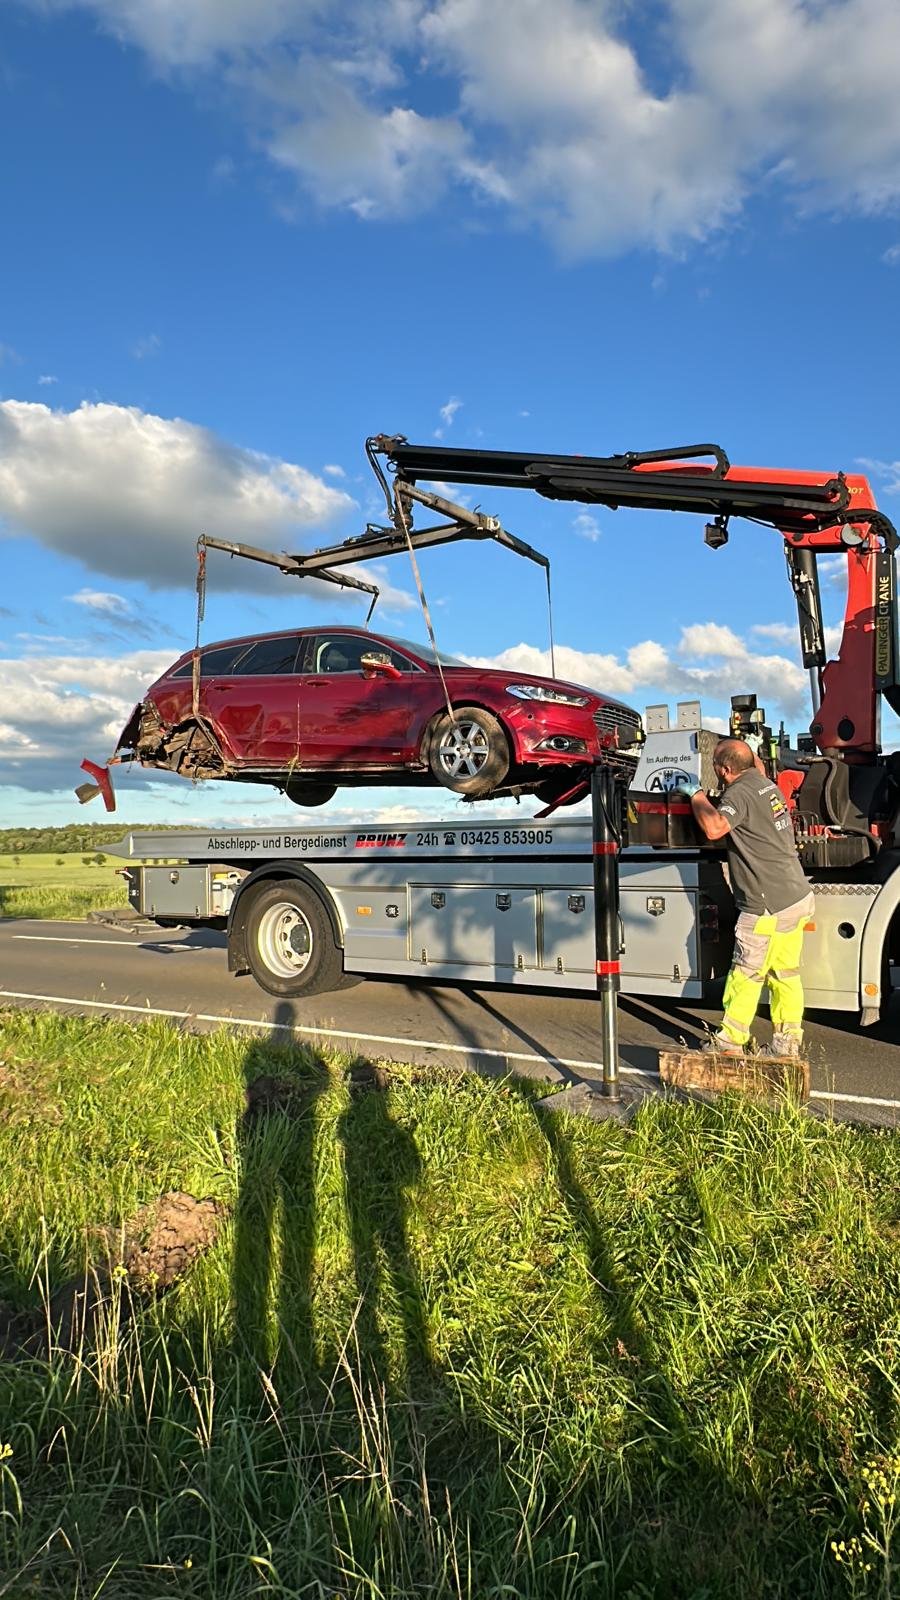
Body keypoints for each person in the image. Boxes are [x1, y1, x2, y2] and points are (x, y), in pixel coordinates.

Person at [678, 737, 815, 1057]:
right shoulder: (766, 784)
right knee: (784, 973)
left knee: (746, 972)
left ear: (725, 770)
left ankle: (729, 1041)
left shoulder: (739, 793)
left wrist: (696, 794)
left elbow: (715, 828)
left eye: (716, 766)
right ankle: (787, 1044)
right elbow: (757, 769)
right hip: (794, 895)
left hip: (765, 905)